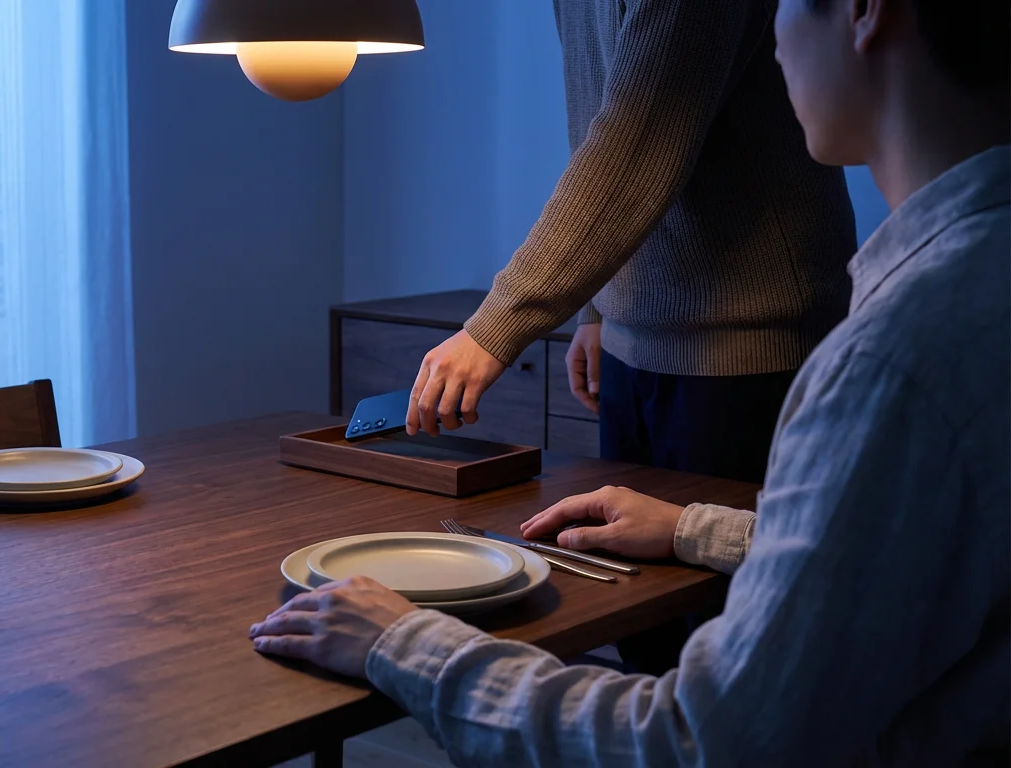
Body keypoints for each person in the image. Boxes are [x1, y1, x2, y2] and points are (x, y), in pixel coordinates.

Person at [250, 0, 1010, 762]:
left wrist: (405, 643)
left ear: (866, 12)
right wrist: (689, 523)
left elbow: (698, 739)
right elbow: (859, 562)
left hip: (739, 346)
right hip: (641, 341)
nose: (769, 34)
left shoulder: (893, 363)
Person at [406, 0, 854, 490]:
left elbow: (639, 135)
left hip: (748, 349)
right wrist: (599, 309)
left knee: (723, 557)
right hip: (630, 346)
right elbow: (599, 115)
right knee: (626, 558)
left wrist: (493, 327)